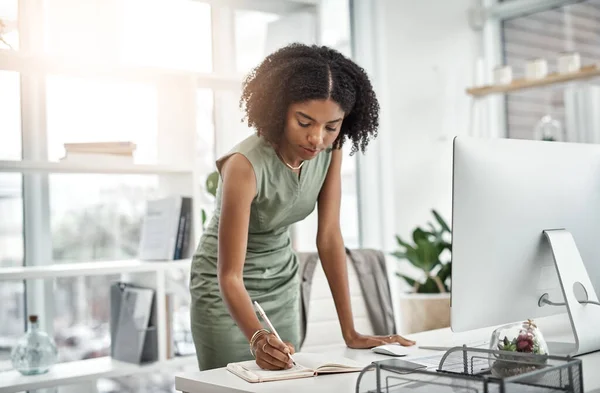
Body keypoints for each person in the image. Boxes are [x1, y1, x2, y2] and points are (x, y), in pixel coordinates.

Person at [189, 43, 415, 371]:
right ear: (279, 108)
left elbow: (329, 237)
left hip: (281, 282)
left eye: (331, 126)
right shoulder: (244, 166)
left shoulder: (330, 150)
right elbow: (229, 275)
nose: (317, 139)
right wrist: (256, 337)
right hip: (225, 291)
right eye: (304, 122)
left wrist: (350, 332)